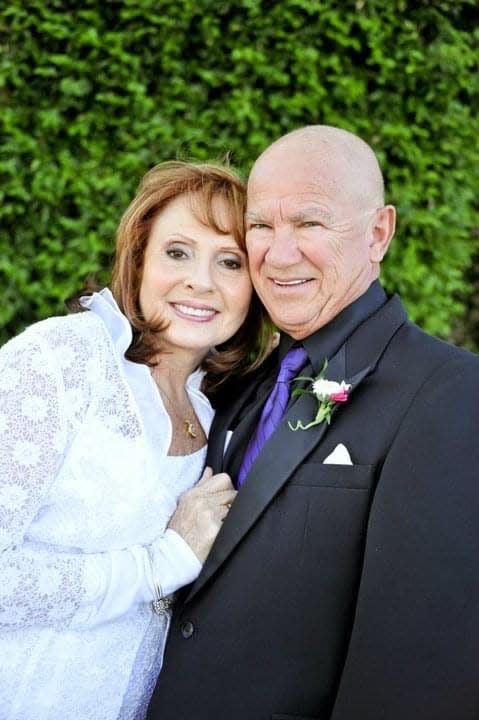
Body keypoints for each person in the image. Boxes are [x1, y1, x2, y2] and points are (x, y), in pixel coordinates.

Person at [149, 126, 479, 720]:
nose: (278, 253)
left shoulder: (448, 393)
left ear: (379, 233)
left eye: (309, 223)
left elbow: (417, 666)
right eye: (261, 226)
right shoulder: (236, 387)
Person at [0, 160, 272, 720]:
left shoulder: (215, 409)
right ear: (139, 258)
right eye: (178, 252)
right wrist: (159, 564)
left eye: (230, 262)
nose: (201, 280)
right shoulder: (62, 358)